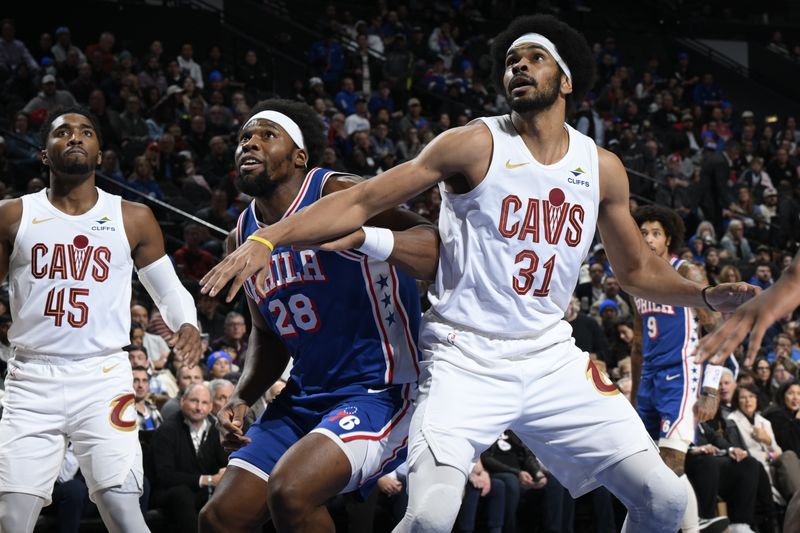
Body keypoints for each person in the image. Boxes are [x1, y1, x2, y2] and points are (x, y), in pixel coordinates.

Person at [200, 15, 756, 533]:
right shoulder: (473, 142)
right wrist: (268, 237)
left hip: (549, 358)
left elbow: (635, 270)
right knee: (430, 518)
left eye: (534, 57)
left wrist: (704, 294)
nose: (517, 66)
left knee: (667, 500)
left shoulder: (601, 167)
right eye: (511, 59)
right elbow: (365, 197)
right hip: (463, 356)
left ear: (565, 80)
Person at [198, 98, 437, 533]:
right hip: (304, 397)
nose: (249, 142)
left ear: (299, 157)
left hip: (381, 390)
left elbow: (433, 243)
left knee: (291, 492)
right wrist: (241, 396)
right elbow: (266, 335)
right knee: (219, 518)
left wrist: (370, 239)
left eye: (266, 135)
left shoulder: (338, 193)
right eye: (244, 137)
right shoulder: (241, 235)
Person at [0, 106, 202, 533]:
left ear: (99, 154)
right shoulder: (13, 215)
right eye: (63, 132)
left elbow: (168, 291)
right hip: (31, 377)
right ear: (43, 154)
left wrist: (187, 324)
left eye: (86, 132)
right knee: (12, 517)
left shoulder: (133, 217)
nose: (75, 137)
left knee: (123, 509)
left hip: (104, 376)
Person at [630, 205, 729, 533]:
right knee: (650, 467)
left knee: (668, 466)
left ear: (668, 238)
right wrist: (633, 397)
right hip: (649, 379)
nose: (648, 238)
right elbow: (638, 343)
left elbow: (716, 329)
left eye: (655, 232)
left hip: (681, 374)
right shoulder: (635, 279)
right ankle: (693, 528)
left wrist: (711, 390)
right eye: (642, 232)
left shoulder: (687, 271)